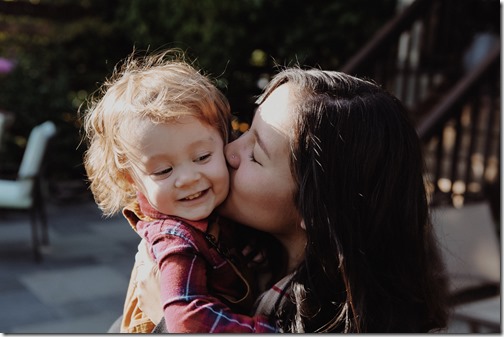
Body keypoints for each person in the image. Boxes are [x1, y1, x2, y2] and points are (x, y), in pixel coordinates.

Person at [135, 67, 450, 333]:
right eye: (245, 130)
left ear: (317, 212)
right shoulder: (217, 248)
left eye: (256, 155)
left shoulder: (335, 322)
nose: (230, 151)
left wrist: (167, 322)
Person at [81, 50, 278, 333]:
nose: (187, 178)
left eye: (202, 157)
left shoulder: (216, 215)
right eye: (163, 171)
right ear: (131, 179)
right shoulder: (175, 239)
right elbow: (187, 319)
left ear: (224, 142)